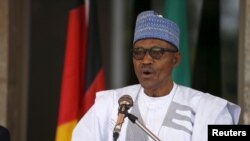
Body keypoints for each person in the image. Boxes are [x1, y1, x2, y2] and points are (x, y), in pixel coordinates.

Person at [71, 10, 241, 141]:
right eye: (138, 52)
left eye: (156, 52)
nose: (145, 60)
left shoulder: (208, 108)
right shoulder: (110, 103)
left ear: (175, 59)